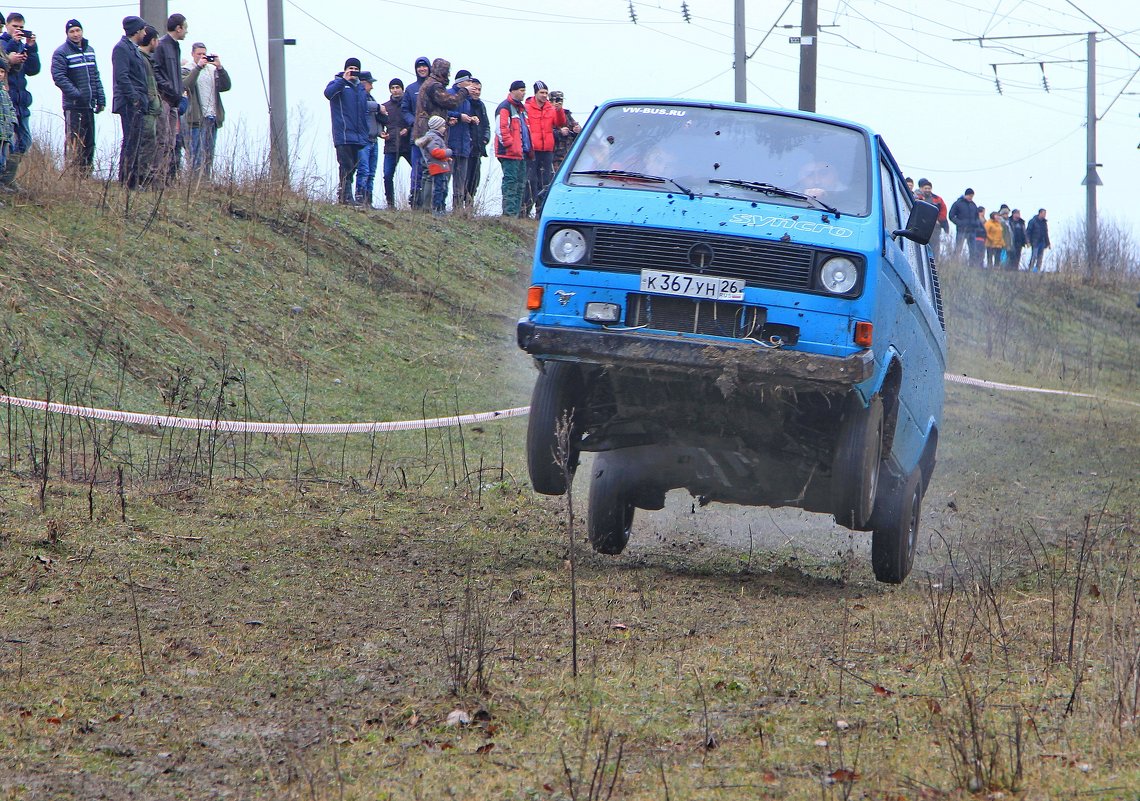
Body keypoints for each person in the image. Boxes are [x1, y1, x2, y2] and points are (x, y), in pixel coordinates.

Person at [411, 58, 470, 211]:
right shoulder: (434, 86)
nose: (449, 74)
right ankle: (429, 207)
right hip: (429, 132)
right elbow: (449, 101)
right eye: (447, 71)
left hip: (425, 130)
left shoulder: (428, 84)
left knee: (427, 169)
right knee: (432, 169)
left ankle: (425, 207)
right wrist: (464, 92)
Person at [51, 19, 105, 176]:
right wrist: (77, 94)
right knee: (74, 141)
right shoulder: (61, 52)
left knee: (89, 142)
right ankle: (72, 176)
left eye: (77, 30)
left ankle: (86, 174)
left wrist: (100, 98)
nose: (75, 34)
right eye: (72, 31)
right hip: (73, 105)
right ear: (67, 34)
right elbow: (59, 77)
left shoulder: (90, 50)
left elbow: (95, 76)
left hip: (89, 104)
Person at [0, 12, 39, 191]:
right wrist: (14, 46)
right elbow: (5, 64)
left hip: (21, 99)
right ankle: (3, 180)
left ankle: (8, 177)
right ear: (7, 25)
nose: (18, 30)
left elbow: (33, 69)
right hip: (6, 101)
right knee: (6, 141)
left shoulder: (21, 44)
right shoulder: (3, 43)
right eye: (15, 26)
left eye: (21, 27)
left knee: (24, 140)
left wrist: (31, 48)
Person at [324, 57, 369, 205]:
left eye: (356, 69)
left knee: (354, 166)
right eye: (351, 68)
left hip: (358, 135)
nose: (353, 71)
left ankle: (346, 195)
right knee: (345, 165)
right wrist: (343, 80)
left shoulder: (361, 88)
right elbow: (328, 94)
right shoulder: (338, 84)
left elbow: (364, 109)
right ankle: (345, 197)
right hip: (343, 133)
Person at [181, 42, 230, 180]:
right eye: (199, 54)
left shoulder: (212, 70)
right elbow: (186, 85)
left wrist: (220, 67)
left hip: (212, 118)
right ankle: (193, 182)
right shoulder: (187, 69)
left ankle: (205, 183)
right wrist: (198, 68)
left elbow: (226, 86)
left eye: (204, 54)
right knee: (195, 155)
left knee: (208, 154)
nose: (202, 57)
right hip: (195, 119)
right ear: (192, 54)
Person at [111, 15, 150, 188]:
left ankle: (132, 179)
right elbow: (122, 76)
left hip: (137, 101)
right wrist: (134, 98)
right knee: (130, 141)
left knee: (136, 141)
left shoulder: (133, 48)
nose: (145, 32)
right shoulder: (121, 49)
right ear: (136, 31)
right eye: (143, 29)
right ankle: (127, 180)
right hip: (129, 103)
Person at [522, 81, 566, 216]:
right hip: (533, 149)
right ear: (535, 93)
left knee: (546, 181)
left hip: (547, 149)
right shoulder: (527, 107)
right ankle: (525, 210)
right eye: (542, 93)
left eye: (546, 93)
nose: (544, 95)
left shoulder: (550, 108)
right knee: (531, 180)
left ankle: (540, 212)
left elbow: (560, 123)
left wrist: (559, 111)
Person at [153, 13, 188, 183]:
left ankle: (167, 178)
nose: (186, 32)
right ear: (178, 28)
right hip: (165, 99)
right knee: (163, 139)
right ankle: (158, 178)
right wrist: (169, 87)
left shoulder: (175, 46)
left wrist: (179, 90)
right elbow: (156, 70)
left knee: (172, 142)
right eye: (185, 28)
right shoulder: (162, 45)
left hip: (174, 100)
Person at [495, 79, 530, 217]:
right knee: (510, 183)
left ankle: (515, 214)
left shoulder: (521, 109)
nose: (523, 93)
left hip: (520, 153)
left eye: (524, 91)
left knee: (520, 184)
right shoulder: (505, 107)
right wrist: (510, 145)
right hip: (509, 153)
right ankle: (508, 214)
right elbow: (501, 129)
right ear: (513, 91)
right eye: (521, 90)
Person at [401, 56, 430, 207]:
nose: (422, 69)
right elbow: (404, 109)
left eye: (424, 66)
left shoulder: (435, 87)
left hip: (433, 137)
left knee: (432, 168)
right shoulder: (411, 89)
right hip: (417, 136)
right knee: (417, 168)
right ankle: (415, 199)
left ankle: (429, 202)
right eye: (419, 67)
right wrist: (414, 122)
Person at [446, 69, 477, 210]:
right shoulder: (449, 94)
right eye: (469, 81)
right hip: (450, 144)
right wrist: (459, 116)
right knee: (445, 177)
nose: (471, 84)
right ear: (461, 82)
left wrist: (472, 120)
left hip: (464, 145)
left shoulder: (468, 101)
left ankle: (457, 210)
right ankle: (439, 207)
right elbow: (443, 112)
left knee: (460, 181)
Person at [137, 25, 163, 187]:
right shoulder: (141, 59)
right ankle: (142, 178)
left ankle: (146, 178)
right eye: (157, 40)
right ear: (152, 41)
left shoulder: (148, 59)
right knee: (145, 143)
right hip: (146, 109)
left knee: (151, 143)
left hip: (152, 109)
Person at [380, 77, 410, 209]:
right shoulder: (384, 106)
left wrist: (408, 130)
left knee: (417, 172)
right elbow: (378, 123)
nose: (395, 90)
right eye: (393, 88)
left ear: (402, 89)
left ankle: (416, 202)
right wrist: (381, 133)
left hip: (408, 144)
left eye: (398, 87)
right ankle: (390, 204)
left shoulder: (409, 104)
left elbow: (415, 121)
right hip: (391, 144)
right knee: (387, 175)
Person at [414, 114, 451, 216]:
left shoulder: (436, 138)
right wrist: (447, 153)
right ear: (437, 127)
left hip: (441, 166)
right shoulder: (434, 138)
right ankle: (437, 209)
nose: (444, 128)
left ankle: (441, 208)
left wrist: (447, 158)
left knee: (443, 188)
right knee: (439, 189)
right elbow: (435, 152)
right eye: (443, 126)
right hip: (437, 167)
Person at [354, 71, 382, 208]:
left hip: (374, 139)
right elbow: (363, 107)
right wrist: (379, 107)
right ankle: (360, 199)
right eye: (370, 83)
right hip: (364, 141)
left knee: (371, 172)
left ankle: (368, 201)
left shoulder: (371, 98)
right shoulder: (359, 97)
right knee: (363, 170)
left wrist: (380, 131)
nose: (372, 86)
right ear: (363, 83)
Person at [465, 78, 490, 205]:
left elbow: (486, 125)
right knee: (464, 178)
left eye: (479, 89)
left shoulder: (481, 105)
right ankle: (459, 206)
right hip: (466, 148)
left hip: (478, 149)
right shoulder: (464, 103)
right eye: (474, 89)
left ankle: (470, 205)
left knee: (475, 180)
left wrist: (485, 139)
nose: (477, 92)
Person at [550, 90, 581, 174]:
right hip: (555, 156)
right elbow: (546, 131)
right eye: (556, 100)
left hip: (568, 155)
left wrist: (577, 130)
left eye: (561, 100)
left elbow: (575, 127)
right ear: (550, 101)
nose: (559, 103)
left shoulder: (567, 114)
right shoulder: (547, 113)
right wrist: (560, 132)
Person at [915, 179, 947, 255]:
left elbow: (943, 210)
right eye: (925, 188)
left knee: (935, 245)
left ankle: (935, 262)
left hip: (934, 227)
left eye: (929, 188)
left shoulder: (937, 199)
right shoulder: (917, 197)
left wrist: (939, 220)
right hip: (921, 225)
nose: (927, 190)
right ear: (922, 188)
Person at [0, 56, 16, 193]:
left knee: (3, 162)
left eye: (2, 72)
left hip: (6, 133)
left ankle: (2, 186)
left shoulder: (4, 92)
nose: (0, 74)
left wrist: (12, 122)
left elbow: (11, 109)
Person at [948, 188, 978, 259]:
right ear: (966, 195)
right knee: (958, 248)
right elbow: (951, 215)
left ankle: (972, 266)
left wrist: (976, 223)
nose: (971, 198)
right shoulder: (957, 203)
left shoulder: (973, 205)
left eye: (972, 196)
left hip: (972, 231)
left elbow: (977, 217)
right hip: (961, 230)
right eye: (970, 196)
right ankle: (955, 263)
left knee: (973, 250)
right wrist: (959, 223)